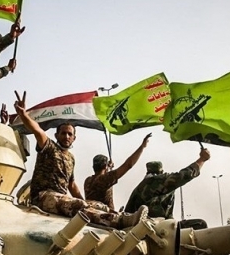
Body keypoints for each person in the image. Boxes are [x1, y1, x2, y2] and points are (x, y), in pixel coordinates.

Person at [13, 91, 147, 229]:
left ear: (74, 138)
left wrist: (85, 201)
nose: (66, 136)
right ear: (56, 135)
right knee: (78, 205)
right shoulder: (48, 147)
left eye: (69, 134)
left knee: (97, 205)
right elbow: (37, 131)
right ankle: (119, 222)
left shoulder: (71, 158)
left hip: (60, 197)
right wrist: (23, 115)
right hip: (43, 197)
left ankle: (125, 217)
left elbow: (71, 184)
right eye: (63, 133)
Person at [123, 148, 211, 219]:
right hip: (153, 227)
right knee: (200, 224)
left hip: (141, 227)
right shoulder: (157, 181)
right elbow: (183, 176)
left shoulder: (139, 187)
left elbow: (127, 212)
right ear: (160, 172)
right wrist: (202, 160)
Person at [84, 133, 151, 212]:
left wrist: (108, 168)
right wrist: (142, 147)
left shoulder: (88, 180)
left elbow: (104, 178)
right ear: (105, 166)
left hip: (92, 213)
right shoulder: (104, 180)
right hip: (105, 215)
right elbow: (128, 165)